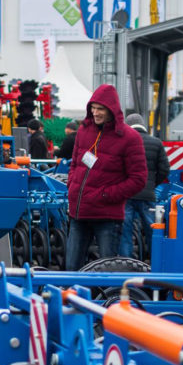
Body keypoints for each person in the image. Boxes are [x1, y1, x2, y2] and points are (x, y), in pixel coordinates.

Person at [64, 85, 147, 271]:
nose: (95, 112)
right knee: (71, 269)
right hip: (79, 213)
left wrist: (105, 195)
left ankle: (109, 299)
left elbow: (138, 179)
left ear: (112, 110)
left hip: (107, 216)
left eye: (100, 109)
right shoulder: (84, 131)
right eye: (93, 108)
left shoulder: (130, 138)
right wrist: (72, 186)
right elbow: (75, 163)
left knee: (108, 271)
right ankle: (70, 299)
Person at [118, 113, 170, 259]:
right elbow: (165, 169)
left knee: (125, 231)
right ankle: (157, 261)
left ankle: (126, 263)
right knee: (153, 229)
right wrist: (152, 184)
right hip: (147, 195)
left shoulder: (123, 142)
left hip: (127, 194)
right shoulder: (156, 142)